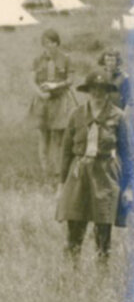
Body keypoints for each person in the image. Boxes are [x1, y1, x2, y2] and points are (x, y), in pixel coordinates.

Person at [58, 74, 127, 263]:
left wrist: (129, 186)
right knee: (75, 223)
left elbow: (127, 153)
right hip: (79, 173)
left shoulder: (118, 116)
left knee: (103, 225)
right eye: (94, 89)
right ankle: (71, 269)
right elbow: (66, 152)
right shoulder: (76, 114)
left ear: (108, 93)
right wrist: (61, 184)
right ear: (88, 91)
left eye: (102, 90)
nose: (98, 94)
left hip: (106, 173)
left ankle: (102, 269)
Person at [29, 30, 77, 184]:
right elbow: (32, 81)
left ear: (57, 43)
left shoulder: (66, 59)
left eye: (51, 42)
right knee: (43, 136)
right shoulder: (37, 59)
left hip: (60, 101)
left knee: (58, 136)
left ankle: (58, 172)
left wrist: (56, 85)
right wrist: (40, 94)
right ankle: (45, 172)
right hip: (42, 102)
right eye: (45, 43)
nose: (48, 46)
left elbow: (70, 80)